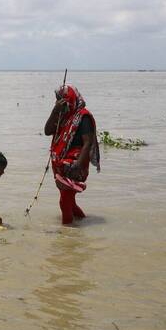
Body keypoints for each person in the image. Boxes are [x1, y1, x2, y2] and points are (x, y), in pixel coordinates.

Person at [44, 84, 100, 225]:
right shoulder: (63, 116)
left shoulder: (83, 116)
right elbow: (47, 130)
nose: (62, 104)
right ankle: (81, 225)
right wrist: (55, 111)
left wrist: (77, 165)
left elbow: (88, 143)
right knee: (70, 201)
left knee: (65, 201)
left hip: (74, 164)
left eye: (63, 100)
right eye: (58, 101)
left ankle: (67, 236)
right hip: (61, 165)